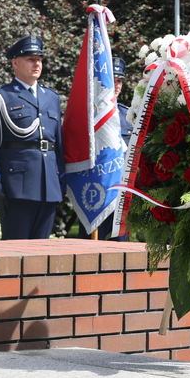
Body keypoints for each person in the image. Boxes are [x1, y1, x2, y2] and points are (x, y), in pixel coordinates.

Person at [0, 35, 65, 240]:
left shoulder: (51, 97)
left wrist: (61, 181)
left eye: (39, 59)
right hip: (17, 186)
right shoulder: (0, 96)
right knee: (16, 250)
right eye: (31, 59)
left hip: (49, 185)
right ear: (15, 63)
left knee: (42, 251)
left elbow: (58, 144)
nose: (37, 64)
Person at [78, 56, 129, 241]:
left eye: (120, 80)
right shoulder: (88, 116)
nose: (117, 84)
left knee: (120, 250)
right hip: (94, 193)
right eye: (112, 79)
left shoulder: (128, 116)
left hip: (121, 195)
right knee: (89, 252)